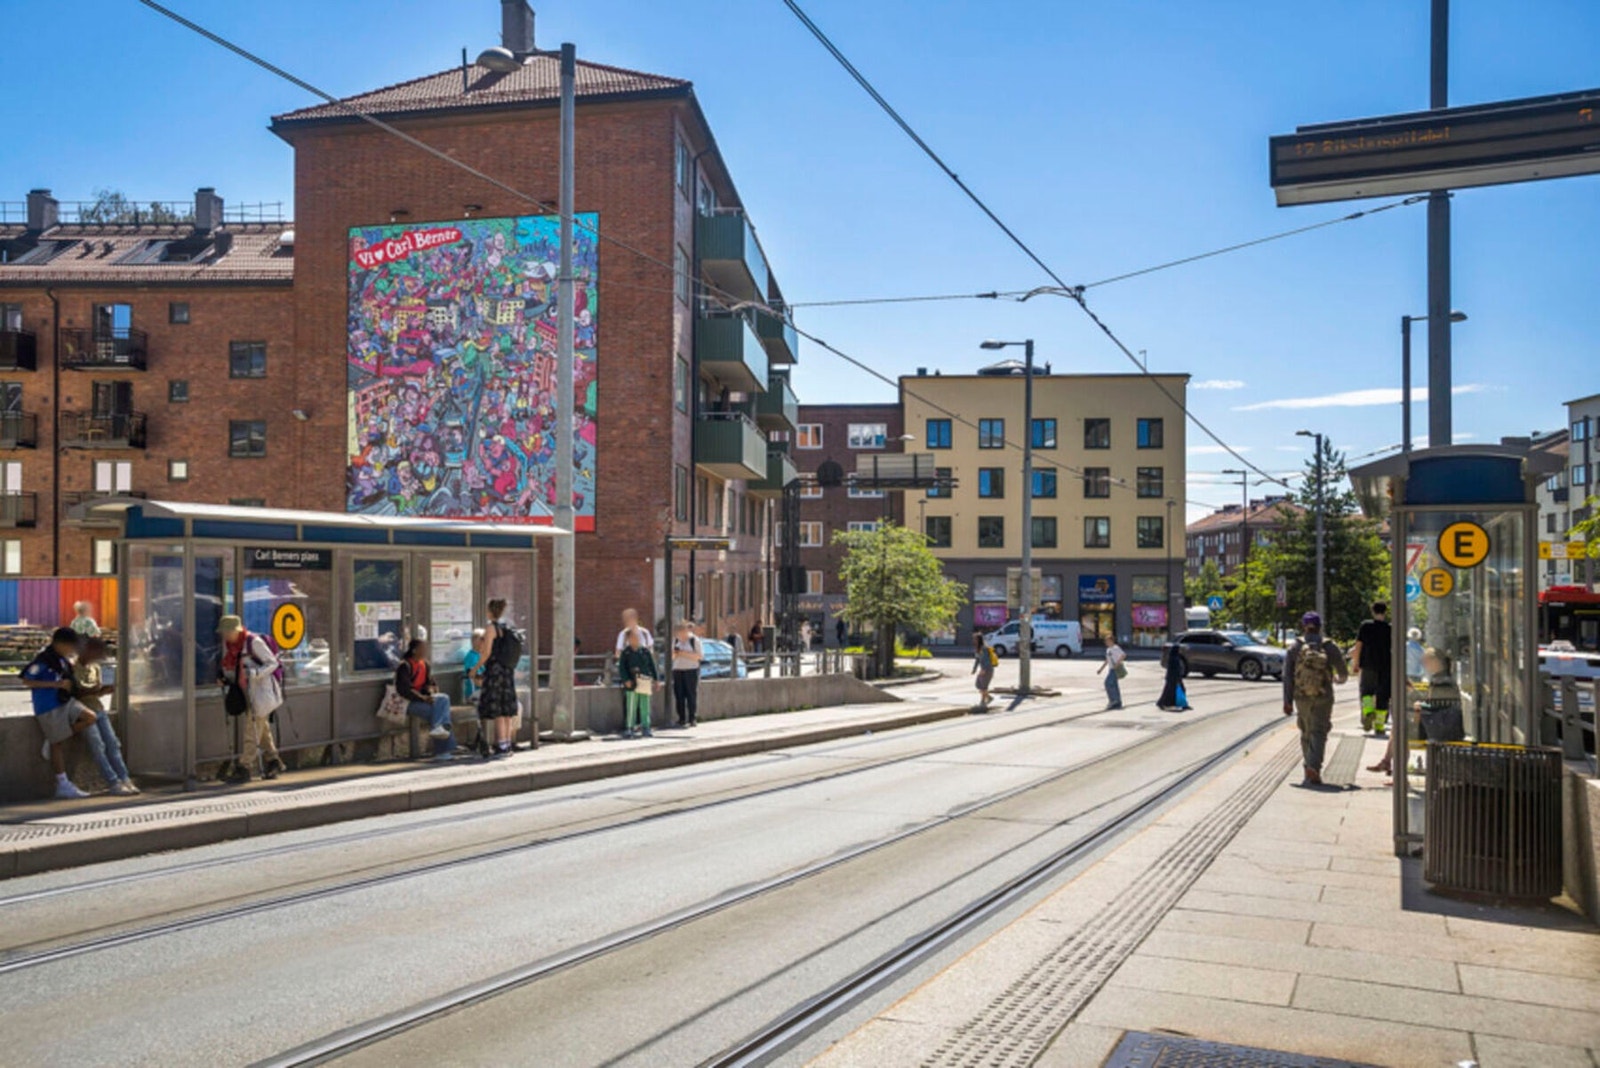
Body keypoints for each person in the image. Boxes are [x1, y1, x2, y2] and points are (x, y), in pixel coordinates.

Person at [21, 627, 98, 799]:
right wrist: (55, 685)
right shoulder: (43, 661)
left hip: (65, 701)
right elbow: (27, 680)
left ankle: (55, 736)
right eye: (70, 645)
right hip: (48, 706)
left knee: (90, 717)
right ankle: (62, 783)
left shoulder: (62, 660)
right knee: (58, 745)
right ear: (60, 644)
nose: (72, 649)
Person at [1282, 611, 1348, 786]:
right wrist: (1338, 679)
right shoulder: (1329, 646)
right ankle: (1314, 766)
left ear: (1304, 626)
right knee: (1319, 731)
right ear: (1320, 626)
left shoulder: (1295, 647)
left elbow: (1287, 676)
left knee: (1306, 730)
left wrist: (1287, 701)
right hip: (1323, 695)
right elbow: (1343, 673)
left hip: (1301, 696)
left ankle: (1308, 765)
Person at [218, 615, 284, 783]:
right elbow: (236, 669)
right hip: (247, 693)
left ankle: (244, 767)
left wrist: (255, 674)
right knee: (261, 730)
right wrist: (225, 678)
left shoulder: (253, 642)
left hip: (262, 693)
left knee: (252, 728)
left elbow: (272, 663)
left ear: (235, 631)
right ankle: (273, 761)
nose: (224, 636)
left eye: (226, 632)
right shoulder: (232, 646)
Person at [73, 637, 138, 794]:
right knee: (97, 745)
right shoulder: (73, 667)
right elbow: (75, 693)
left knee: (112, 744)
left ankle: (124, 778)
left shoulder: (95, 667)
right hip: (83, 711)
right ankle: (113, 782)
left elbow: (96, 690)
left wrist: (102, 691)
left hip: (98, 708)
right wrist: (96, 691)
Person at [474, 599, 521, 758]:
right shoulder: (506, 627)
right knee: (506, 709)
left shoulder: (491, 628)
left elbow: (486, 653)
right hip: (507, 671)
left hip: (495, 671)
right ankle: (506, 744)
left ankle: (501, 745)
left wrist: (474, 669)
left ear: (490, 611)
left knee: (499, 709)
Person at [396, 638, 455, 760]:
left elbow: (431, 683)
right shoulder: (405, 666)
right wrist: (423, 698)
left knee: (442, 700)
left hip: (425, 700)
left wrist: (431, 691)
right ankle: (443, 751)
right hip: (409, 703)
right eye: (423, 648)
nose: (426, 651)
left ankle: (441, 746)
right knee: (440, 714)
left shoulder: (425, 664)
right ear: (414, 650)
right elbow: (404, 690)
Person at [1351, 601, 1393, 735]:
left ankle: (1368, 711)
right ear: (1385, 612)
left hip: (1368, 665)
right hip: (1386, 667)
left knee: (1366, 692)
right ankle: (1379, 726)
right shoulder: (1389, 628)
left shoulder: (1365, 626)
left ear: (1373, 612)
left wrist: (1356, 663)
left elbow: (1358, 646)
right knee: (1383, 697)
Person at [615, 608, 654, 729]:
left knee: (643, 701)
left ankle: (642, 724)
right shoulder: (623, 634)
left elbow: (650, 652)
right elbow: (617, 653)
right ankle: (630, 724)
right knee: (630, 699)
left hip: (643, 673)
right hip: (629, 671)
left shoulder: (645, 633)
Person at [617, 627, 658, 738]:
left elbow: (652, 666)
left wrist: (656, 680)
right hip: (631, 681)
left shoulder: (645, 651)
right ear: (628, 639)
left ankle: (646, 727)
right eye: (632, 637)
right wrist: (626, 680)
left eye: (637, 637)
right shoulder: (626, 653)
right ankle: (629, 727)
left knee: (645, 705)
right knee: (631, 705)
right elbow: (622, 668)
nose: (635, 639)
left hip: (644, 680)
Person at [670, 619, 703, 727]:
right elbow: (672, 657)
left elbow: (699, 656)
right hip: (678, 670)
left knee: (691, 694)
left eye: (682, 633)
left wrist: (683, 653)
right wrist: (675, 653)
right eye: (678, 634)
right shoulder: (675, 640)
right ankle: (681, 718)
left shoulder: (694, 640)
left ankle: (692, 718)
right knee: (679, 695)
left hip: (691, 670)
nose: (681, 636)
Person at [1157, 643, 1191, 711]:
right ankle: (1163, 703)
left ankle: (1181, 704)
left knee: (1170, 691)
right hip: (1174, 678)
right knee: (1170, 691)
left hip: (1173, 678)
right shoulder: (1174, 658)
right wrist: (1178, 678)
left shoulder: (1173, 657)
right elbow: (1175, 670)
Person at [1099, 638, 1127, 710]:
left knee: (1107, 683)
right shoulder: (1108, 649)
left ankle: (1113, 701)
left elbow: (1123, 655)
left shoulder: (1115, 648)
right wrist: (1101, 669)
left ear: (1111, 641)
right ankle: (1117, 701)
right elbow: (1107, 660)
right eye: (1105, 641)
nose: (1106, 642)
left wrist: (1116, 665)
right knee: (1114, 685)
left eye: (1107, 641)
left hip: (1115, 669)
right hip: (1111, 669)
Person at [971, 631, 995, 709]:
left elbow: (987, 660)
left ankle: (983, 701)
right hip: (983, 669)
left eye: (975, 639)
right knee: (978, 684)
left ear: (979, 640)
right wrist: (974, 669)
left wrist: (984, 669)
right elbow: (977, 660)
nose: (974, 640)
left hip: (987, 669)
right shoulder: (978, 649)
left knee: (983, 686)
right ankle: (989, 697)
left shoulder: (984, 648)